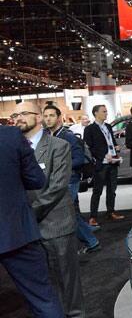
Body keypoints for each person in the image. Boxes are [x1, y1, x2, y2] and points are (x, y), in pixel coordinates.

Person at [13, 102, 84, 317]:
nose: (18, 118)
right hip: (27, 231)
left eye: (24, 113)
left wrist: (28, 215)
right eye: (15, 115)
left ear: (39, 117)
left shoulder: (58, 146)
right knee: (41, 286)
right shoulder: (13, 149)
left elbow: (57, 187)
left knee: (68, 284)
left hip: (56, 225)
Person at [0, 125, 64, 317]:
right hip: (15, 231)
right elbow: (36, 179)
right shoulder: (10, 135)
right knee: (42, 298)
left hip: (14, 232)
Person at [42, 105, 101, 254]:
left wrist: (57, 166)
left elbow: (79, 159)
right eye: (46, 116)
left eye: (51, 115)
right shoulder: (47, 136)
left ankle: (91, 241)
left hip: (70, 179)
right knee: (72, 212)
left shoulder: (67, 136)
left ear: (59, 117)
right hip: (57, 180)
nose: (48, 118)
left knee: (68, 214)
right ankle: (90, 237)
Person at [83, 105, 125, 226]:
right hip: (101, 163)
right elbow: (89, 147)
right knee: (97, 191)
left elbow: (111, 140)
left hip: (113, 161)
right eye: (104, 111)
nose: (106, 113)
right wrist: (103, 156)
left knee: (112, 189)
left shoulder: (107, 126)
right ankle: (93, 217)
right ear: (96, 113)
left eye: (106, 111)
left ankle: (111, 212)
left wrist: (116, 148)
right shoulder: (89, 129)